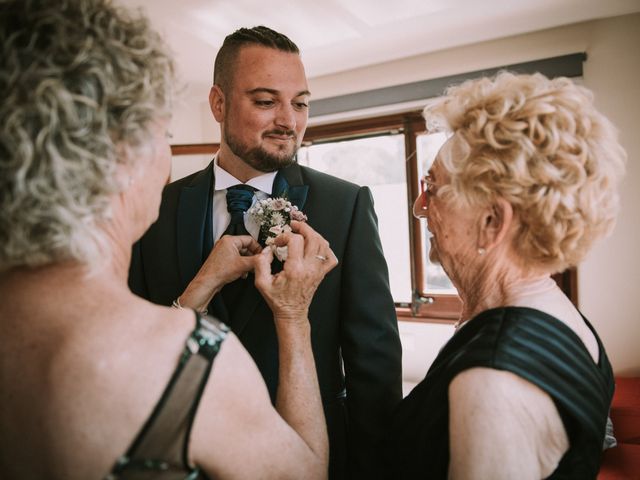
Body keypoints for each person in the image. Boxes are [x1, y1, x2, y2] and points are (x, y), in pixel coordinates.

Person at [0, 1, 337, 479]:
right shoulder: (190, 358)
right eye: (164, 133)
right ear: (121, 154)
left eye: (299, 103)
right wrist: (293, 315)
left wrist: (198, 289)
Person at [129, 26, 403, 478]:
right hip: (182, 452)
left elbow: (373, 361)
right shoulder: (155, 208)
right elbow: (136, 337)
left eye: (300, 103)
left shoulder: (346, 205)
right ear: (218, 103)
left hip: (309, 452)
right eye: (265, 101)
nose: (288, 121)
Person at [385, 72, 626, 479]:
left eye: (434, 187)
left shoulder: (494, 381)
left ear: (493, 221)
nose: (419, 207)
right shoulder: (561, 315)